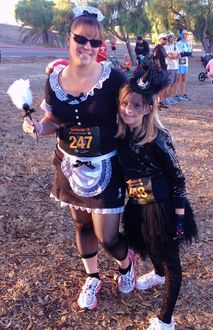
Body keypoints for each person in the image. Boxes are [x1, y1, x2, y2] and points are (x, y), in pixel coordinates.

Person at [22, 5, 136, 311]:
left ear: (101, 46)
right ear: (68, 38)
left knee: (107, 236)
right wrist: (37, 127)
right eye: (81, 39)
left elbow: (133, 110)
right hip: (69, 167)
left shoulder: (113, 78)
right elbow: (53, 122)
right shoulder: (55, 80)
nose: (87, 47)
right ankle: (93, 277)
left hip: (106, 168)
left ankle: (126, 264)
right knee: (81, 227)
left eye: (95, 42)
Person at [116, 67, 198, 329]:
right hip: (138, 204)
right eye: (125, 103)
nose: (128, 109)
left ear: (149, 108)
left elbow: (179, 179)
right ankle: (159, 275)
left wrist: (179, 219)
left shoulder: (158, 138)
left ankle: (166, 320)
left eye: (136, 105)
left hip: (162, 208)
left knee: (170, 259)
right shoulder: (122, 134)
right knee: (149, 247)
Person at [153, 33, 169, 109]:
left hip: (165, 69)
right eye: (164, 39)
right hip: (160, 70)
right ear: (160, 40)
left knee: (163, 86)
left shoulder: (163, 48)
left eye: (166, 39)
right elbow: (156, 59)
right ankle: (155, 103)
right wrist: (159, 70)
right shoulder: (157, 48)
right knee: (158, 88)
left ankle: (160, 102)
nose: (166, 40)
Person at [164, 33, 180, 105]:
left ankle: (170, 97)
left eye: (173, 37)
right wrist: (174, 56)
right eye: (171, 37)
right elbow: (170, 56)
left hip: (176, 66)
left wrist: (175, 56)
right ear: (168, 38)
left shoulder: (176, 46)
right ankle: (166, 98)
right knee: (169, 83)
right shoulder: (166, 47)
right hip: (170, 67)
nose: (173, 39)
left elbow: (179, 55)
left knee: (174, 83)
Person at [176, 30, 192, 101]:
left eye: (186, 34)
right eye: (184, 34)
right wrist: (186, 53)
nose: (185, 35)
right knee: (178, 79)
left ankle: (182, 93)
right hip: (180, 63)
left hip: (185, 63)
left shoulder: (188, 43)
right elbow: (180, 54)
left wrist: (186, 53)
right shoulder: (178, 43)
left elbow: (190, 53)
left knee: (184, 79)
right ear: (181, 35)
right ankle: (175, 94)